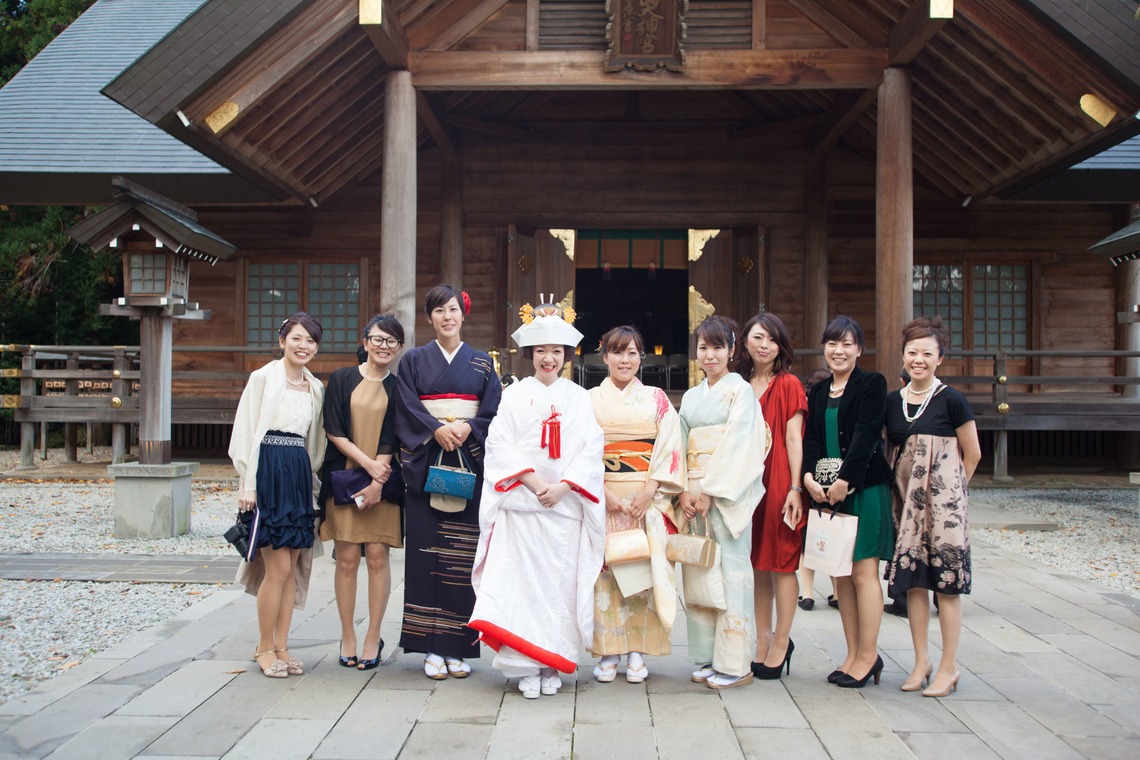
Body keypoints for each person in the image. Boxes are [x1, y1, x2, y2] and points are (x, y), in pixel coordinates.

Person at [469, 298, 604, 699]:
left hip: (564, 507)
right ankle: (524, 665)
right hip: (523, 508)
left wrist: (564, 486)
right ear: (530, 353)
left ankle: (553, 661)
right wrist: (531, 482)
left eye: (556, 351)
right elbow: (499, 443)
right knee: (522, 587)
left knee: (559, 587)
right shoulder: (513, 395)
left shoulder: (579, 397)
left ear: (566, 355)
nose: (549, 358)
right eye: (541, 350)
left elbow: (591, 448)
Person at [394, 284, 502, 680]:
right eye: (439, 311)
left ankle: (457, 647)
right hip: (427, 462)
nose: (447, 317)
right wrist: (434, 429)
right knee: (424, 554)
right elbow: (405, 404)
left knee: (462, 555)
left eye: (453, 309)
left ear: (463, 314)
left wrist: (469, 427)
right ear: (430, 318)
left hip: (467, 461)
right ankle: (429, 646)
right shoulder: (413, 360)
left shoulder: (482, 363)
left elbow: (493, 409)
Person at [885, 317, 981, 698]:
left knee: (947, 588)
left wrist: (951, 495)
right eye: (912, 352)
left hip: (945, 513)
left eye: (927, 353)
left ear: (940, 358)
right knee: (914, 586)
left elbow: (972, 454)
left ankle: (948, 666)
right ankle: (921, 660)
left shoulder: (952, 400)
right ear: (903, 356)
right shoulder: (893, 402)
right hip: (907, 508)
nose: (919, 360)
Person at [229, 312, 326, 678]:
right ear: (283, 340)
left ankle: (283, 645)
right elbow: (245, 429)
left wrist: (312, 483)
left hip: (297, 473)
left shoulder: (315, 387)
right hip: (267, 469)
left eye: (310, 341)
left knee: (292, 569)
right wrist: (247, 482)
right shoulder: (263, 378)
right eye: (296, 338)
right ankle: (264, 647)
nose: (303, 346)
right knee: (278, 567)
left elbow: (315, 440)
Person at [588, 325, 685, 684]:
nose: (624, 360)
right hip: (606, 498)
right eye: (617, 352)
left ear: (640, 358)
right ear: (605, 356)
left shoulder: (657, 399)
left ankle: (637, 651)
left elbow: (670, 445)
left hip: (646, 498)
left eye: (632, 353)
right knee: (607, 574)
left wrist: (650, 490)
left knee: (643, 571)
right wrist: (601, 490)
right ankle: (608, 651)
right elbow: (581, 450)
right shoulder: (589, 400)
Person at [802, 315, 893, 689]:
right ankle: (853, 653)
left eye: (846, 344)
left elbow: (866, 435)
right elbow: (811, 439)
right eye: (832, 343)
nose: (838, 351)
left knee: (863, 572)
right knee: (840, 574)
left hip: (864, 489)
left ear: (859, 349)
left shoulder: (872, 384)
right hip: (826, 493)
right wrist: (808, 477)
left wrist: (845, 481)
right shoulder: (819, 391)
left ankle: (869, 655)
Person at [679, 315, 767, 690]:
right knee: (698, 573)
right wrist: (682, 490)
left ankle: (733, 662)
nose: (710, 355)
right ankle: (705, 656)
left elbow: (740, 445)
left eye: (717, 347)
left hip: (724, 495)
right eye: (703, 347)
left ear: (732, 351)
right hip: (693, 493)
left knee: (731, 573)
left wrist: (710, 491)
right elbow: (677, 445)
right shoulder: (690, 397)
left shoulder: (740, 392)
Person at [318, 314, 405, 671]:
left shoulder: (399, 387)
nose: (384, 346)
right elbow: (333, 430)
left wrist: (377, 481)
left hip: (382, 482)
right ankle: (347, 635)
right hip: (345, 477)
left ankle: (373, 635)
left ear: (398, 348)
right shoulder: (341, 379)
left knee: (378, 556)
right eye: (378, 339)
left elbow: (393, 436)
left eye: (391, 341)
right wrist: (368, 466)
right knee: (348, 558)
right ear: (366, 341)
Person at [734, 313, 807, 680]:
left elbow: (794, 438)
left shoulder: (789, 384)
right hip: (747, 480)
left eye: (772, 340)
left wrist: (795, 488)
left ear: (781, 346)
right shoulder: (739, 384)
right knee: (758, 563)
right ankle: (762, 639)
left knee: (782, 560)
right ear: (745, 341)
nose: (764, 346)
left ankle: (782, 640)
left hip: (778, 478)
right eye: (758, 338)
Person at [796, 367, 839, 612]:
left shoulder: (804, 411)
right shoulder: (832, 410)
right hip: (831, 477)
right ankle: (837, 592)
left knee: (808, 538)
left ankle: (807, 592)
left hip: (807, 478)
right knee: (832, 535)